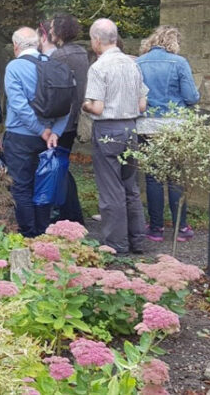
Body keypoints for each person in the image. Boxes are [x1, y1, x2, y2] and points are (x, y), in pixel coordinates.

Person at [82, 18, 149, 255]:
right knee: (130, 187)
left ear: (97, 40)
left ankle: (116, 246)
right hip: (131, 128)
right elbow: (142, 105)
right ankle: (138, 241)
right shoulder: (133, 64)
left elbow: (97, 108)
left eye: (91, 39)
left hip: (108, 131)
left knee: (111, 190)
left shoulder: (98, 67)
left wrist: (85, 105)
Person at [2, 27, 69, 237]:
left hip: (21, 137)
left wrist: (41, 131)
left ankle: (28, 234)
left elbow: (19, 106)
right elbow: (66, 103)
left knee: (21, 186)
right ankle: (44, 231)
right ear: (38, 44)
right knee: (45, 184)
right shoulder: (55, 66)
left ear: (16, 46)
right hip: (49, 138)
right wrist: (55, 132)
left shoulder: (14, 67)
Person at [136, 25, 201, 242]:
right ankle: (180, 227)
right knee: (175, 177)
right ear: (173, 42)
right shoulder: (179, 63)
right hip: (174, 124)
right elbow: (191, 96)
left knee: (153, 178)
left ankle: (155, 229)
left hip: (147, 125)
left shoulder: (139, 62)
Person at [45, 14, 89, 224]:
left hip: (62, 120)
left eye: (52, 28)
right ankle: (71, 212)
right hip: (76, 118)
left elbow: (54, 92)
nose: (50, 32)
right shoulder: (82, 52)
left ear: (59, 32)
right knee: (62, 164)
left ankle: (66, 213)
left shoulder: (59, 56)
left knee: (57, 166)